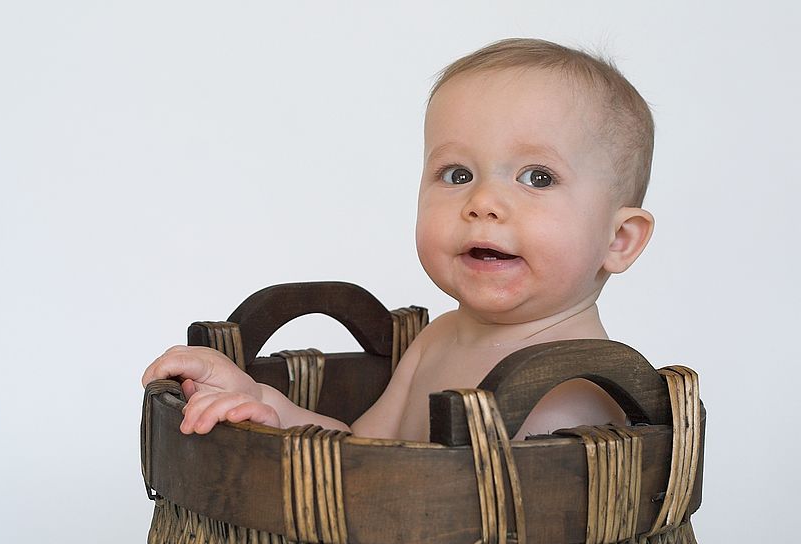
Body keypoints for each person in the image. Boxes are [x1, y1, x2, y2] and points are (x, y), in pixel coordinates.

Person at [141, 38, 655, 442]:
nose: (483, 202)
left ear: (619, 240)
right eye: (456, 174)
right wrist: (266, 405)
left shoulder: (587, 382)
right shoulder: (436, 341)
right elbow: (363, 453)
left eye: (537, 177)